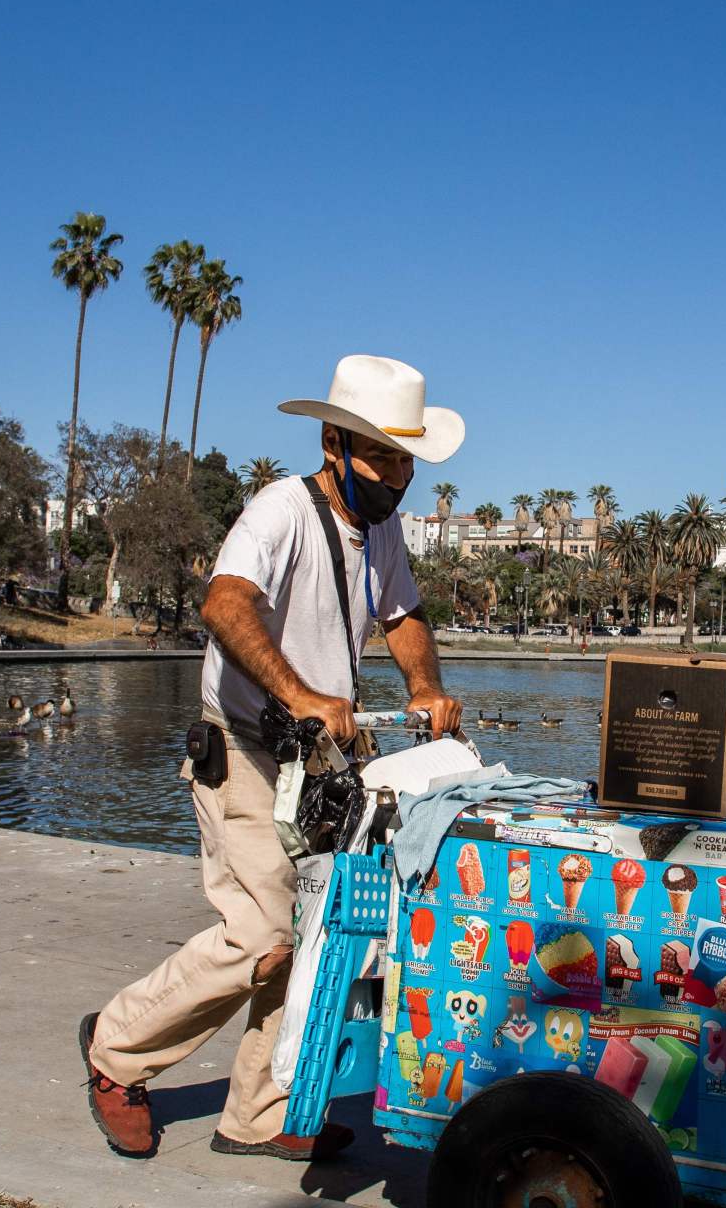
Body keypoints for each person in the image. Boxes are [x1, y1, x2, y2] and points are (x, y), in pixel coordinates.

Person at [80, 354, 464, 1163]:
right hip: (248, 747)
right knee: (260, 934)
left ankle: (258, 1110)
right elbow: (224, 603)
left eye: (406, 459)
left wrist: (426, 686)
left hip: (320, 763)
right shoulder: (277, 511)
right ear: (333, 443)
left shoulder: (383, 530)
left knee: (314, 926)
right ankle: (116, 1051)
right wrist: (299, 691)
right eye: (384, 456)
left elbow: (404, 615)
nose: (399, 476)